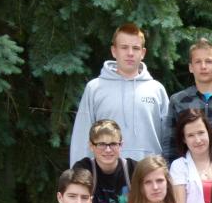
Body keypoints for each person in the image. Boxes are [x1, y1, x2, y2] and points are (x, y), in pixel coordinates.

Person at [69, 23, 168, 165]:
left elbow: (169, 140)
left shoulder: (156, 90)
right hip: (105, 172)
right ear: (114, 51)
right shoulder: (95, 88)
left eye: (135, 48)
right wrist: (79, 174)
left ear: (143, 53)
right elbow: (82, 137)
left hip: (149, 173)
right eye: (124, 47)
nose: (130, 53)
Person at [162, 38, 212, 161]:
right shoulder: (178, 101)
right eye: (198, 62)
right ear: (191, 67)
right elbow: (170, 145)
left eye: (208, 61)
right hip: (188, 170)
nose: (203, 66)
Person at [72, 119, 137, 203]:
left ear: (121, 145)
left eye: (113, 144)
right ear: (91, 146)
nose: (108, 150)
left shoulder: (133, 168)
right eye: (101, 144)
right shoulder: (83, 168)